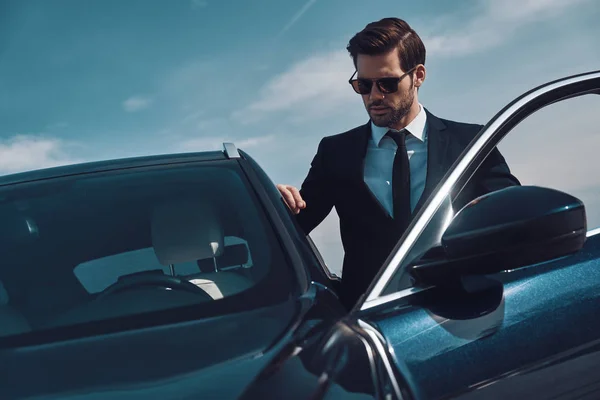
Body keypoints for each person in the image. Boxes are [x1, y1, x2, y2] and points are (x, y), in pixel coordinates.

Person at [277, 17, 520, 310]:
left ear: (418, 75)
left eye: (388, 84)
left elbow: (513, 217)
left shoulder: (470, 142)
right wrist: (277, 201)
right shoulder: (335, 152)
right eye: (363, 85)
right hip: (372, 325)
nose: (374, 96)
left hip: (462, 316)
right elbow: (293, 225)